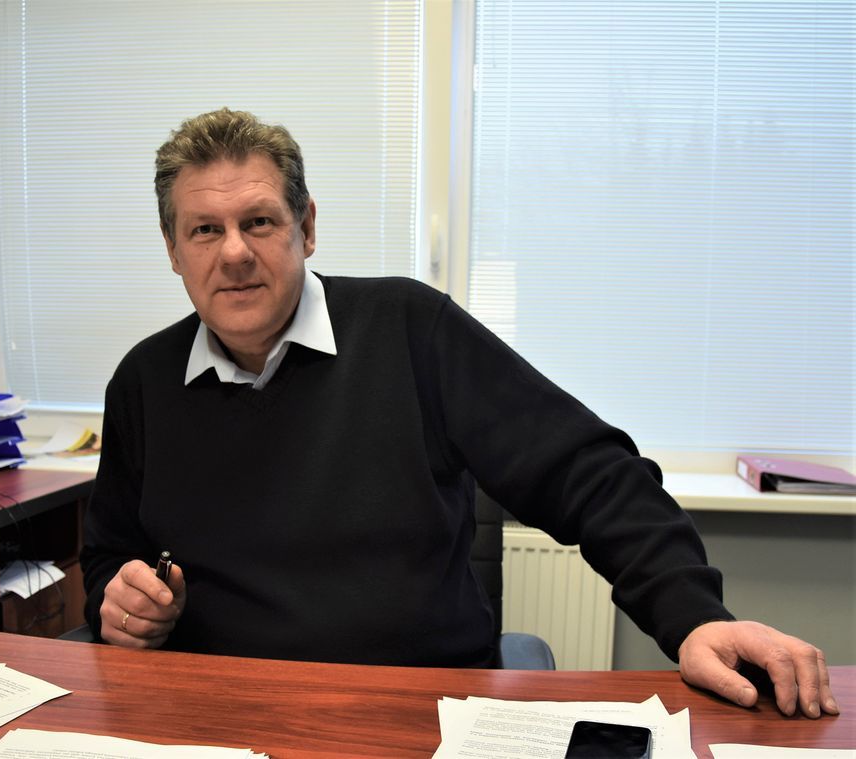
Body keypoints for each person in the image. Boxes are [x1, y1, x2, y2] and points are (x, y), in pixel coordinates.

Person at [80, 107, 837, 719]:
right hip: (217, 710)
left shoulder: (411, 330)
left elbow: (587, 471)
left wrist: (694, 616)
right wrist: (121, 602)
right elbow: (110, 552)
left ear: (306, 227)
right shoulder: (143, 382)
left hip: (421, 706)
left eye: (259, 222)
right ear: (173, 249)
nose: (234, 252)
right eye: (205, 230)